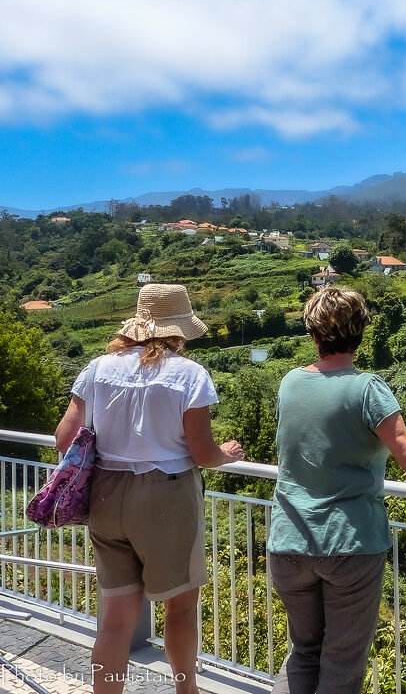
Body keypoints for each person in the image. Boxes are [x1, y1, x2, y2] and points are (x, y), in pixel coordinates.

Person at [269, 286, 406, 694]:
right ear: (360, 333)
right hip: (349, 543)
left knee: (304, 652)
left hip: (289, 542)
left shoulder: (289, 383)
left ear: (313, 335)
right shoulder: (368, 388)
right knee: (341, 662)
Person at [53, 283, 245, 694]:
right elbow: (202, 451)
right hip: (166, 496)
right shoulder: (189, 375)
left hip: (106, 493)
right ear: (178, 331)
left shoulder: (98, 368)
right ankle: (186, 690)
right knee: (180, 607)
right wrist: (226, 454)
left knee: (117, 617)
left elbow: (64, 436)